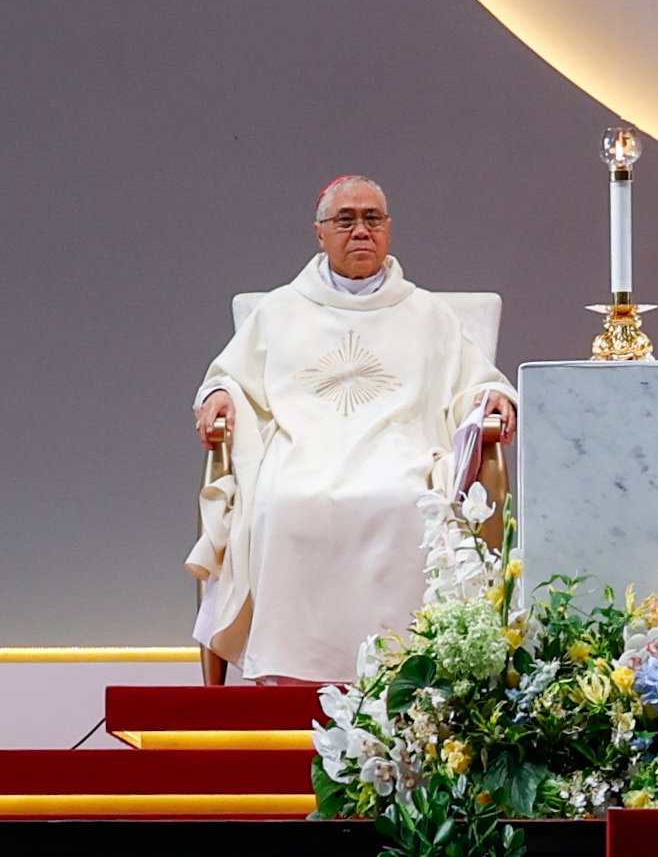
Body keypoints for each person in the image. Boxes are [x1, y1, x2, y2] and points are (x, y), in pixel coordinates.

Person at [189, 176, 515, 682]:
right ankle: (288, 671)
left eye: (372, 219)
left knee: (405, 500)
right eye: (345, 219)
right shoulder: (279, 309)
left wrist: (490, 396)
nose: (360, 230)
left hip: (401, 449)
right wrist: (217, 396)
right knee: (284, 501)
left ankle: (410, 672)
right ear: (319, 233)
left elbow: (474, 382)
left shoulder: (428, 312)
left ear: (388, 230)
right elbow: (230, 376)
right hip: (302, 451)